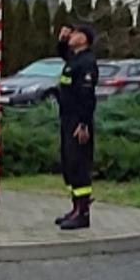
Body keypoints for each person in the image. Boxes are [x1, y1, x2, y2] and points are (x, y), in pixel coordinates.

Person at [54, 24, 99, 230]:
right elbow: (64, 55)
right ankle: (75, 208)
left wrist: (83, 124)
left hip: (79, 122)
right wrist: (62, 41)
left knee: (79, 165)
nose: (71, 35)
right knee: (69, 164)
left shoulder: (88, 62)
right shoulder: (75, 60)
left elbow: (87, 96)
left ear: (84, 39)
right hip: (67, 119)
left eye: (75, 33)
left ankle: (83, 213)